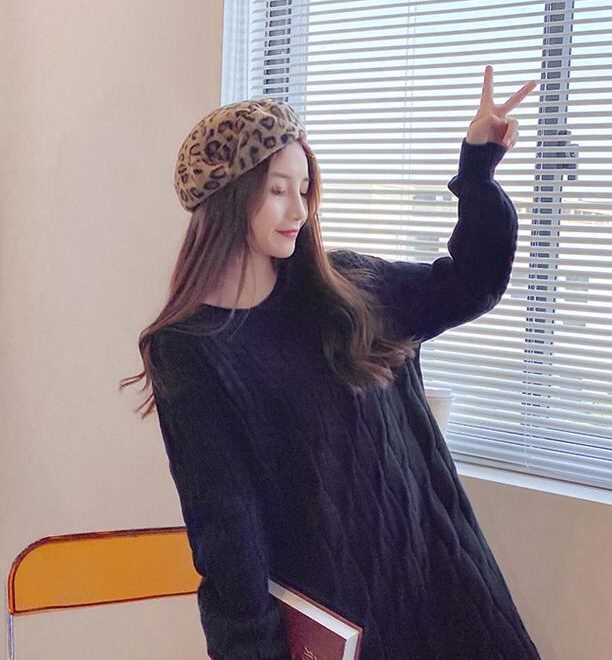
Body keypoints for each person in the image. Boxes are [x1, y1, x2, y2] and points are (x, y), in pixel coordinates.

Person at [120, 64, 541, 659]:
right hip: (344, 622)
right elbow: (229, 534)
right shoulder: (192, 350)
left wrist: (477, 168)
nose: (298, 209)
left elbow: (472, 282)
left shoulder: (348, 287)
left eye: (304, 188)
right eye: (277, 190)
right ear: (227, 196)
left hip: (441, 583)